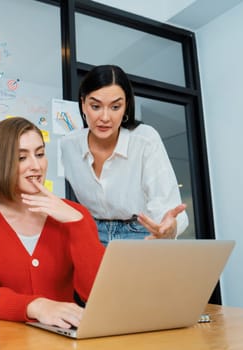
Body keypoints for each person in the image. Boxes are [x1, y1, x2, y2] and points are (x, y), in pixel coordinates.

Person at [0, 117, 105, 329]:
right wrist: (36, 306)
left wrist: (77, 223)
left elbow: (96, 294)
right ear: (0, 163)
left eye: (40, 154)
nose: (36, 166)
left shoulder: (75, 214)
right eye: (22, 157)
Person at [60, 65, 189, 246]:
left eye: (115, 107)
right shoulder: (68, 145)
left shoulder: (145, 139)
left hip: (140, 231)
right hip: (91, 231)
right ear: (83, 104)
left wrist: (169, 228)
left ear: (126, 106)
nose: (105, 117)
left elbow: (166, 208)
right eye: (95, 106)